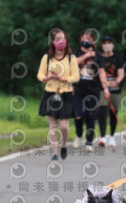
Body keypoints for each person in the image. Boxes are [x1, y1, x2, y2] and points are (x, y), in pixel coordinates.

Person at [37, 29, 80, 161]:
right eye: (57, 39)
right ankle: (54, 152)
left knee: (64, 125)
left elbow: (76, 76)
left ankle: (63, 145)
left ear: (66, 41)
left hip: (65, 93)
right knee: (53, 124)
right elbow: (40, 75)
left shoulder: (71, 58)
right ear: (53, 42)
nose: (60, 41)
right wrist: (47, 77)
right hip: (50, 93)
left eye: (62, 38)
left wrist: (64, 79)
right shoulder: (47, 58)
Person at [73, 30, 110, 152]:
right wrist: (86, 56)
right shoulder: (75, 52)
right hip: (77, 88)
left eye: (89, 39)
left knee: (91, 115)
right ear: (80, 40)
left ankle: (89, 142)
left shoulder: (98, 55)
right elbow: (72, 64)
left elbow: (102, 72)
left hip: (94, 89)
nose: (86, 41)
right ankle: (79, 136)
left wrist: (105, 88)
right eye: (84, 38)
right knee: (79, 115)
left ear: (93, 41)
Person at [97, 35, 124, 147]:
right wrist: (105, 86)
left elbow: (121, 74)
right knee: (102, 111)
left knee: (114, 113)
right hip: (102, 88)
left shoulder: (117, 58)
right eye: (105, 43)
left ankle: (112, 136)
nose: (107, 45)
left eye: (109, 42)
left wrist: (116, 81)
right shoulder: (99, 58)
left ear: (113, 45)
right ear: (102, 45)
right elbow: (99, 73)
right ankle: (103, 137)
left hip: (115, 89)